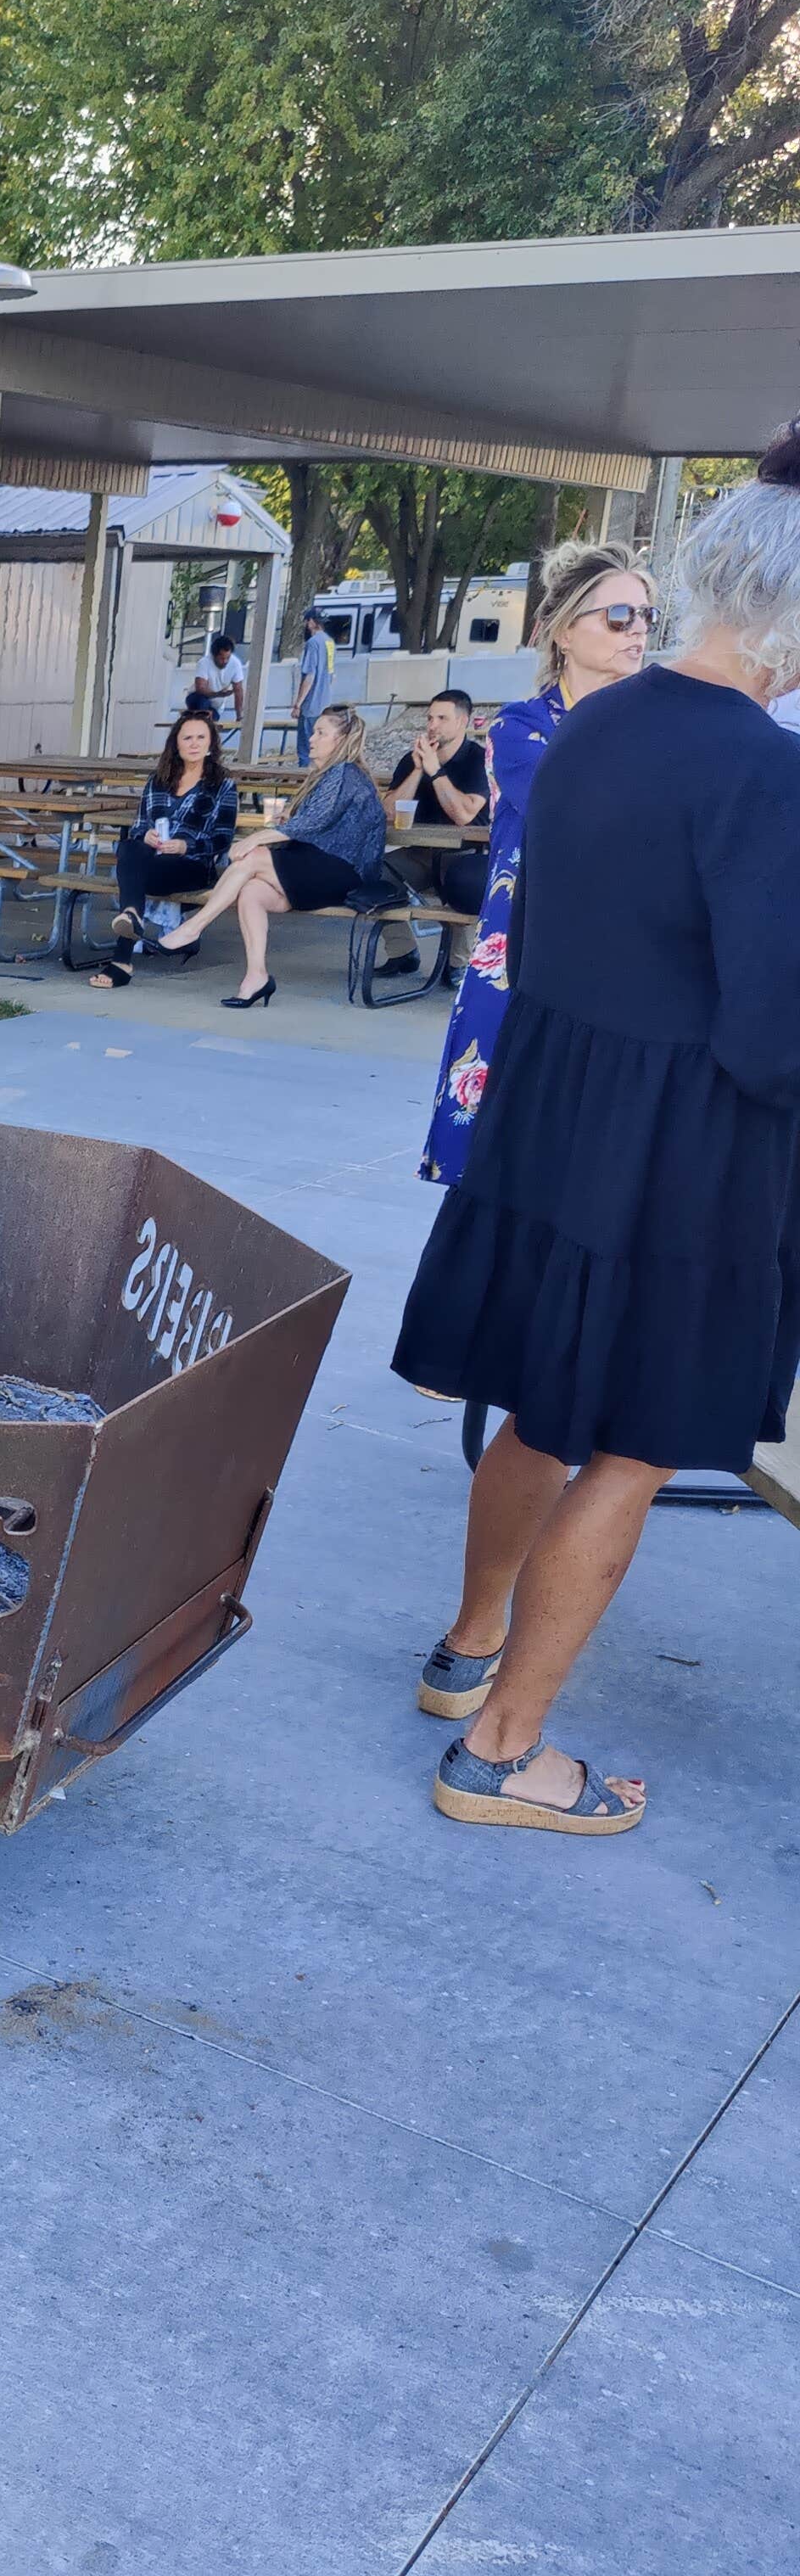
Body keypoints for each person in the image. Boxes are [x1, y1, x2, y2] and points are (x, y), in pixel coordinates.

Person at [393, 434, 800, 1834]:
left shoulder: (590, 728)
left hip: (553, 1117)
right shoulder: (766, 775)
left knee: (540, 1407)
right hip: (682, 1155)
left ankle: (466, 1652)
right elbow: (772, 1036)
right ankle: (503, 1753)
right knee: (631, 1445)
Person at [419, 544, 652, 1185]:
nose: (636, 629)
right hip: (524, 948)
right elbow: (588, 813)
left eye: (646, 616)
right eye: (619, 615)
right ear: (564, 632)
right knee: (498, 1146)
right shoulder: (521, 728)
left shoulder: (656, 725)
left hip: (624, 953)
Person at [152, 704, 389, 1005]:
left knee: (253, 857)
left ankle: (192, 928)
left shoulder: (346, 772)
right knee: (251, 892)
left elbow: (312, 824)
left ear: (340, 740)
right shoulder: (327, 774)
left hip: (344, 874)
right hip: (318, 868)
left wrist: (256, 838)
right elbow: (316, 823)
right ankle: (257, 978)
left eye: (320, 733)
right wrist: (285, 821)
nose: (312, 738)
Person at [87, 711, 240, 987]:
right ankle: (131, 921)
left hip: (192, 866)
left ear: (211, 743)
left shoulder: (223, 785)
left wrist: (185, 845)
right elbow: (138, 827)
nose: (194, 744)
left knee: (133, 867)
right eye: (187, 738)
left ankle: (123, 955)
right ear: (176, 744)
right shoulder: (158, 780)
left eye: (201, 737)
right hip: (152, 862)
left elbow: (223, 840)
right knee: (130, 846)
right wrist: (145, 835)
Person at [388, 686, 491, 910]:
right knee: (374, 878)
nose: (432, 726)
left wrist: (435, 771)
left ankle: (455, 937)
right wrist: (418, 771)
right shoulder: (412, 761)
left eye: (442, 718)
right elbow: (389, 813)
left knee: (464, 887)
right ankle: (402, 937)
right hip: (419, 853)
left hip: (465, 856)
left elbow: (463, 815)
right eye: (430, 718)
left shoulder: (479, 759)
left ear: (462, 722)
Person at [290, 608, 337, 756]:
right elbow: (331, 675)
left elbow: (309, 676)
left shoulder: (312, 643)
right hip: (325, 704)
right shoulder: (330, 642)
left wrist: (298, 704)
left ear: (311, 622)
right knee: (321, 750)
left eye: (307, 621)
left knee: (306, 750)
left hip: (311, 706)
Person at [199, 631, 247, 739]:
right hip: (199, 700)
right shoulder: (204, 662)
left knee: (211, 722)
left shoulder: (235, 664)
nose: (225, 661)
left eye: (227, 658)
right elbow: (200, 688)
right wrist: (218, 694)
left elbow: (238, 690)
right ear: (214, 656)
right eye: (221, 658)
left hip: (216, 706)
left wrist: (239, 715)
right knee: (201, 702)